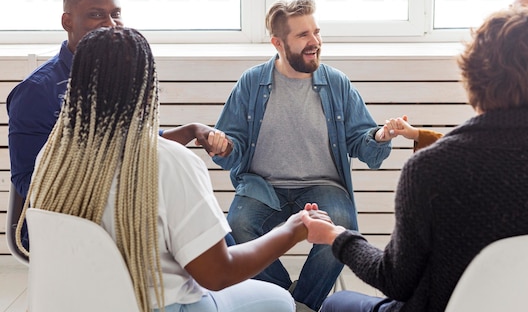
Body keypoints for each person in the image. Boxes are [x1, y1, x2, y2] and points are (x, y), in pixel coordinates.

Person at [300, 7, 528, 312]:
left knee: (337, 303)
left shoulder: (431, 169)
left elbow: (395, 280)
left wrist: (336, 235)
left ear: (473, 74)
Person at [17, 26, 329, 312]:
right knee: (279, 300)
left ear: (77, 84)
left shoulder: (53, 156)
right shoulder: (169, 163)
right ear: (147, 89)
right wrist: (293, 229)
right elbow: (218, 274)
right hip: (161, 306)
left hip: (77, 304)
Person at [6, 0, 228, 250]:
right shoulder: (37, 92)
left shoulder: (116, 74)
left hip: (118, 210)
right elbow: (27, 181)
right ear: (67, 22)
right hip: (68, 224)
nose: (110, 23)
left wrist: (193, 130)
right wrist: (114, 193)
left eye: (116, 14)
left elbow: (135, 143)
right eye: (96, 14)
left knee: (205, 232)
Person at [209, 0, 393, 311]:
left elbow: (364, 144)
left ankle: (297, 305)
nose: (315, 42)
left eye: (316, 32)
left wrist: (380, 136)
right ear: (277, 43)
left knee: (343, 223)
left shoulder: (337, 84)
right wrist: (223, 146)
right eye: (303, 35)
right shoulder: (251, 83)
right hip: (262, 187)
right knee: (238, 225)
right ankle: (293, 304)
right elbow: (231, 145)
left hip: (323, 186)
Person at [386, 0, 528, 150]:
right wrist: (419, 135)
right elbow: (487, 144)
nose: (510, 19)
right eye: (511, 9)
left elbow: (504, 154)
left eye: (522, 11)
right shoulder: (508, 84)